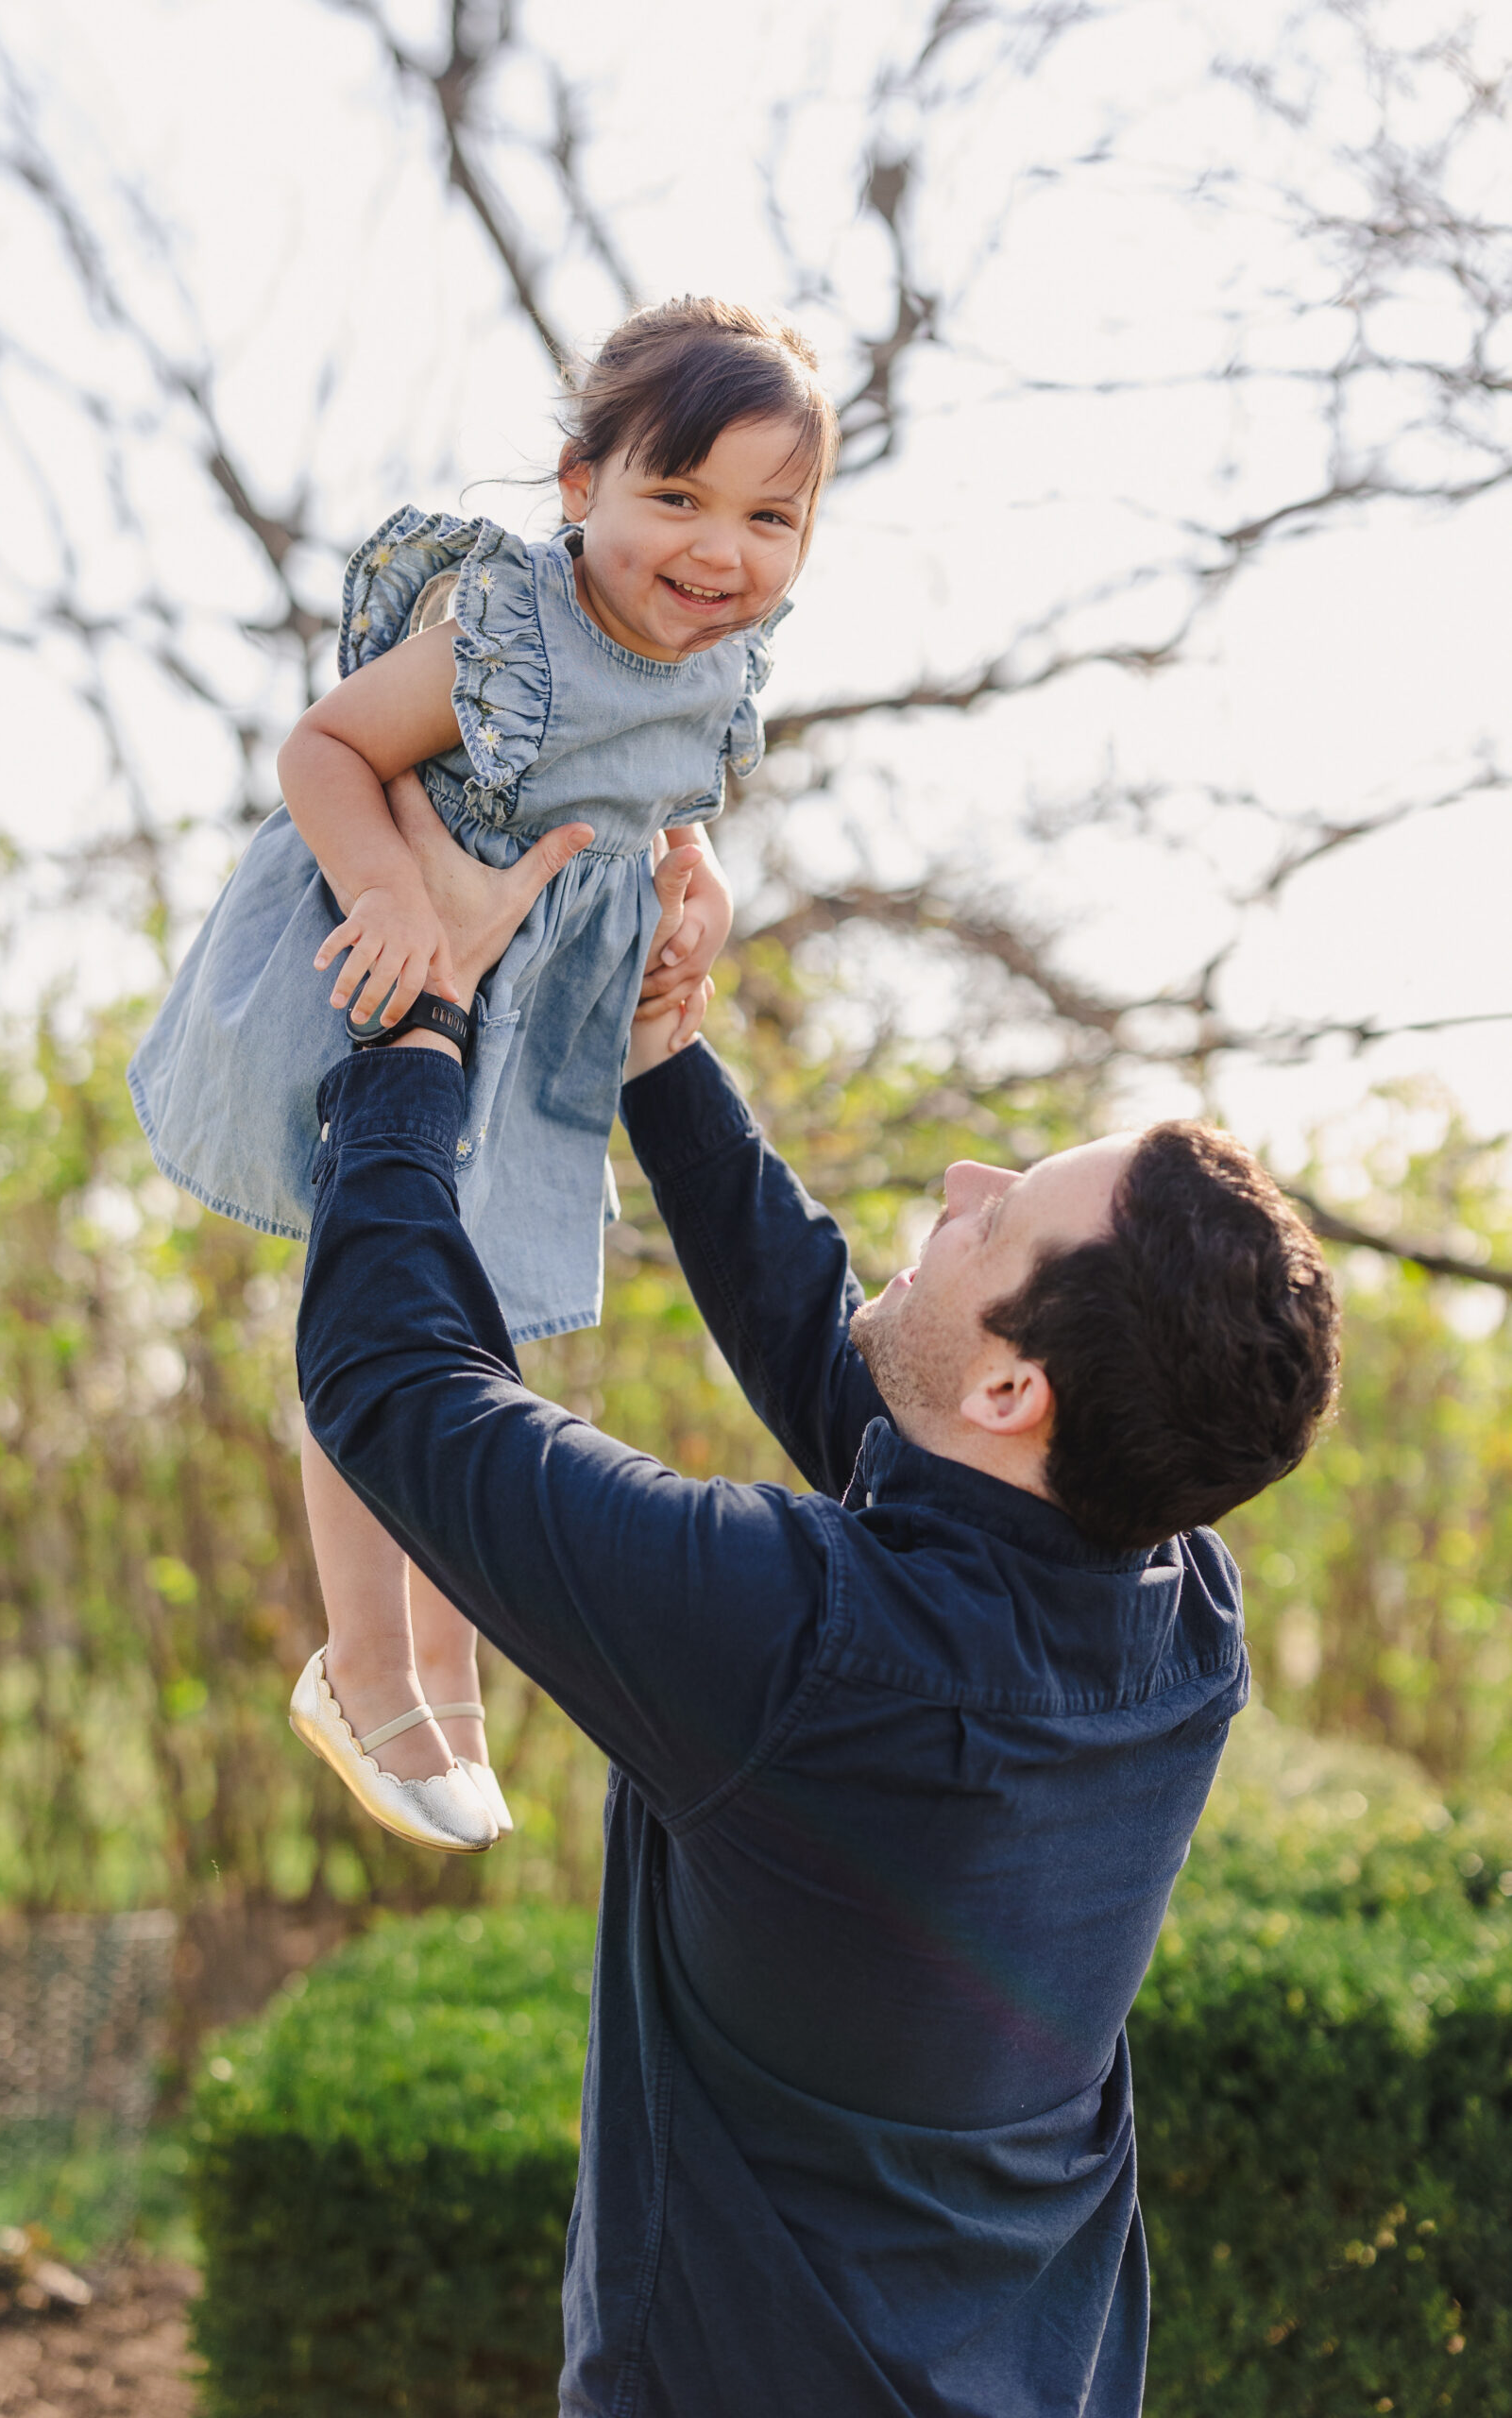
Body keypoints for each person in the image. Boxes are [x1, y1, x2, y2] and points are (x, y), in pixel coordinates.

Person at [294, 812, 1341, 2418]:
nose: (960, 1180)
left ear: (1016, 1385)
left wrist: (411, 1017)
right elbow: (870, 1389)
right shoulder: (1174, 1612)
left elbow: (396, 1387)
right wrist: (664, 1052)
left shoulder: (800, 1655)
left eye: (996, 1216)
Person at [127, 297, 841, 1853]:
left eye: (769, 516)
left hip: (532, 1036)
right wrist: (387, 888)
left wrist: (695, 883)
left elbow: (664, 805)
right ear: (582, 486)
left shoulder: (721, 673)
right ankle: (364, 1661)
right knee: (380, 1302)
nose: (722, 550)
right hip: (390, 978)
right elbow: (322, 748)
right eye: (678, 497)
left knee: (483, 1336)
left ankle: (444, 1669)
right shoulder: (511, 633)